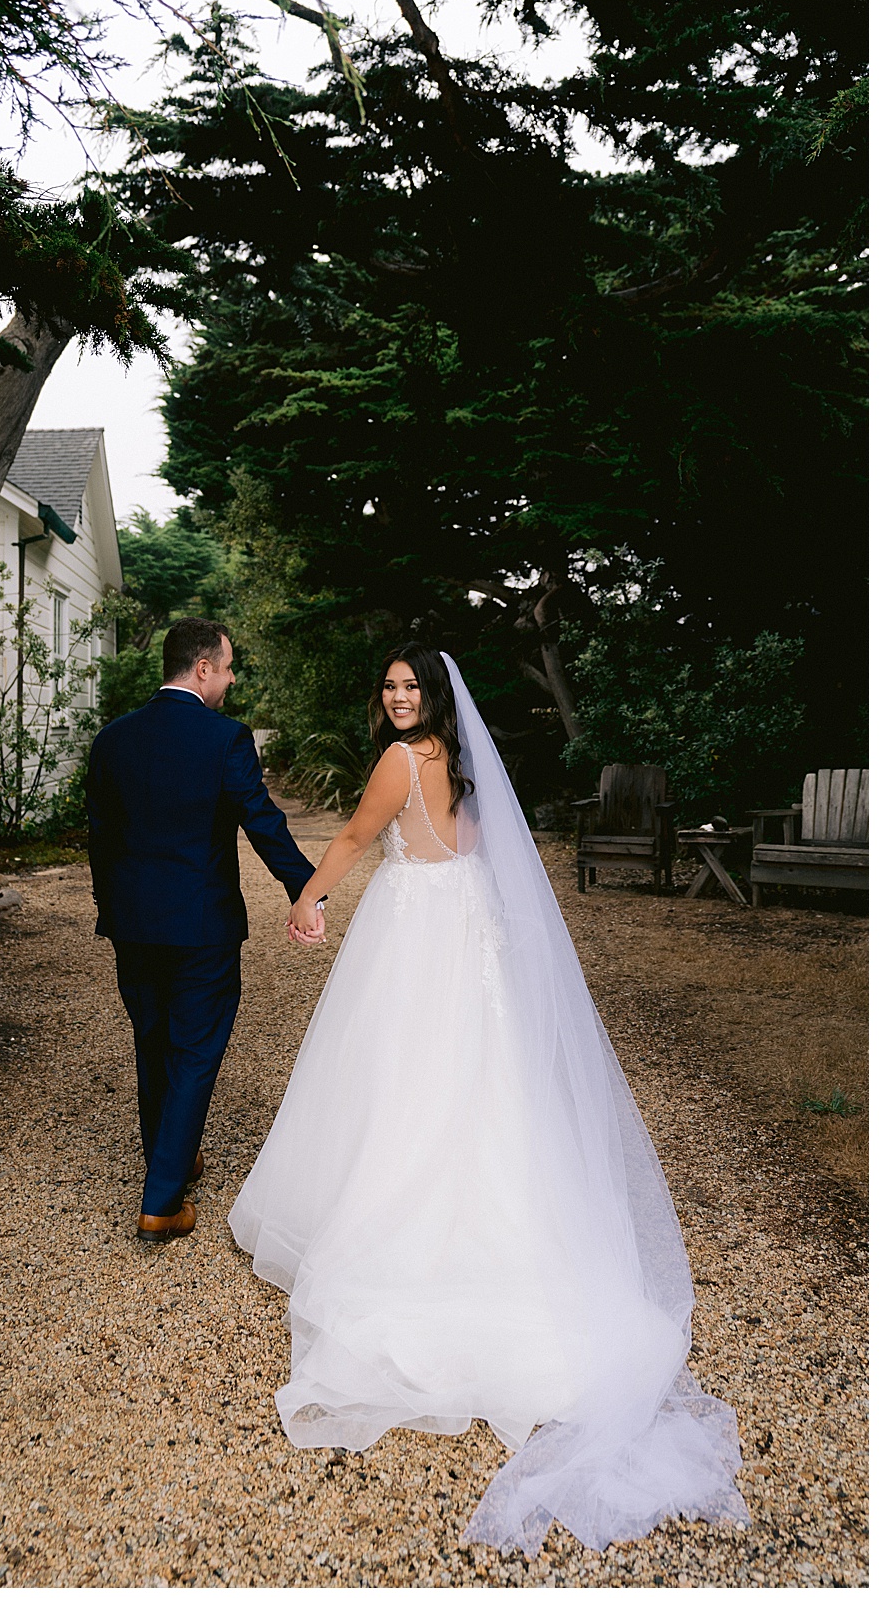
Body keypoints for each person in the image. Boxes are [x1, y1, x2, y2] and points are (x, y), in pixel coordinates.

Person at [228, 644, 749, 1557]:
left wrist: (307, 900)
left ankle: (400, 1223)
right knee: (475, 1079)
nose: (396, 697)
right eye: (386, 684)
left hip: (417, 930)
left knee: (401, 1075)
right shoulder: (467, 766)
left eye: (409, 685)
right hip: (465, 926)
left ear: (433, 696)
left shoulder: (401, 760)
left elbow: (354, 838)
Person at [87, 617, 322, 1244]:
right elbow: (261, 819)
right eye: (228, 664)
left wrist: (110, 909)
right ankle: (161, 1202)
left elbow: (100, 837)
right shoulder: (225, 739)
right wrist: (305, 886)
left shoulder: (112, 739)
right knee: (194, 1051)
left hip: (132, 925)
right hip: (201, 926)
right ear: (202, 669)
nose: (232, 676)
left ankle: (175, 1156)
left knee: (153, 1040)